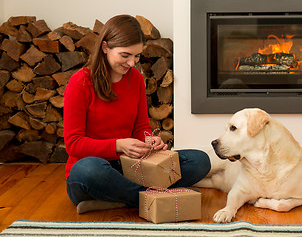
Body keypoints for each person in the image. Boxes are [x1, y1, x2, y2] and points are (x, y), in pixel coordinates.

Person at [63, 14, 211, 214]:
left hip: (132, 168)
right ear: (105, 47)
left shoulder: (136, 80)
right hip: (95, 172)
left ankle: (126, 198)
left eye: (137, 56)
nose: (132, 63)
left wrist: (150, 141)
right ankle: (153, 198)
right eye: (125, 55)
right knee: (87, 169)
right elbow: (74, 143)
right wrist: (119, 145)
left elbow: (141, 127)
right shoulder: (80, 82)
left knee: (199, 160)